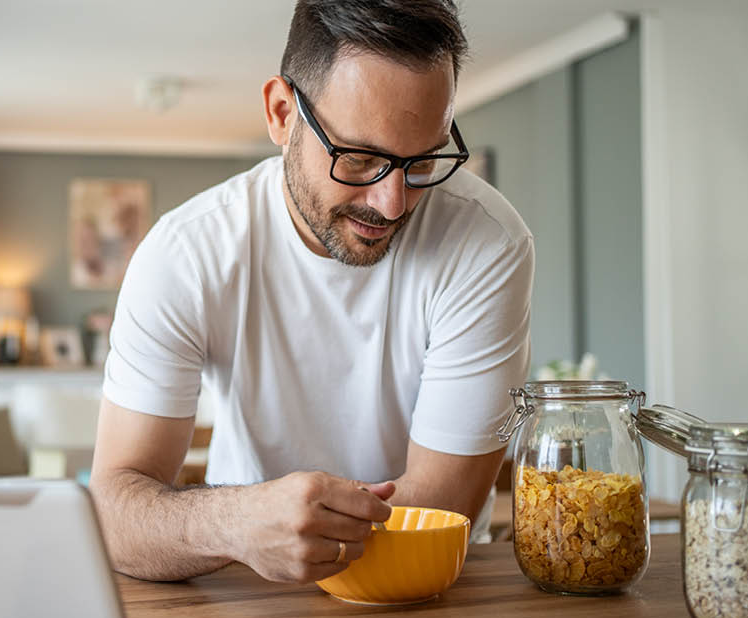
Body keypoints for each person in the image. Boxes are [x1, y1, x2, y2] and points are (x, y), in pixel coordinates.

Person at [90, 0, 533, 584]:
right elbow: (114, 511)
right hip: (245, 586)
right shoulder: (186, 254)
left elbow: (441, 510)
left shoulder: (487, 244)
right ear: (280, 113)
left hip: (421, 587)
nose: (393, 203)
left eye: (422, 161)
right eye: (360, 157)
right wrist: (235, 522)